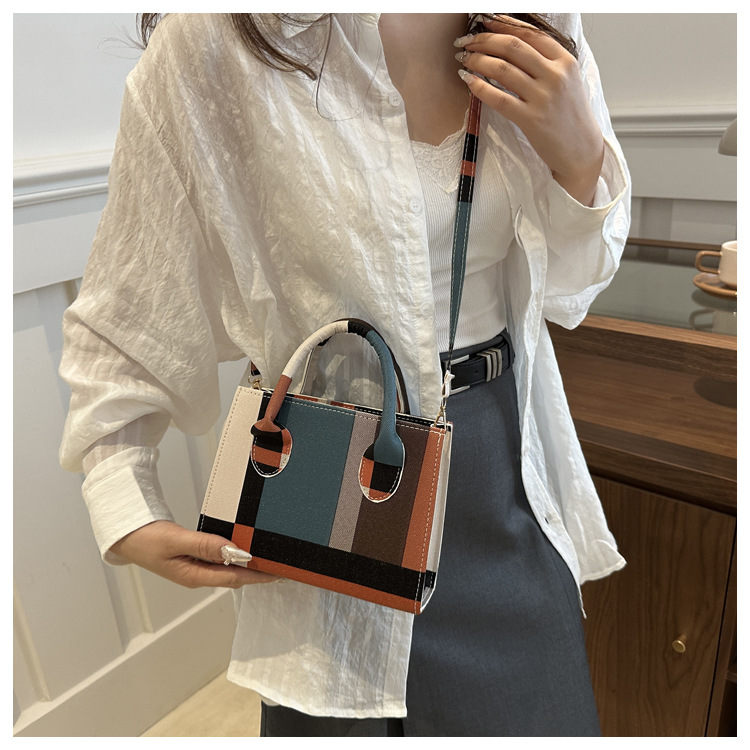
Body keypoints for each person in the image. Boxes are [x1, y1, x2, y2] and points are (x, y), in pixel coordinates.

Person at [59, 13, 631, 736]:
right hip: (323, 468)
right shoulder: (214, 41)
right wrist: (121, 494)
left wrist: (580, 158)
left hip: (496, 467)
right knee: (337, 716)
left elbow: (576, 285)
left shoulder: (534, 18)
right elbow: (129, 304)